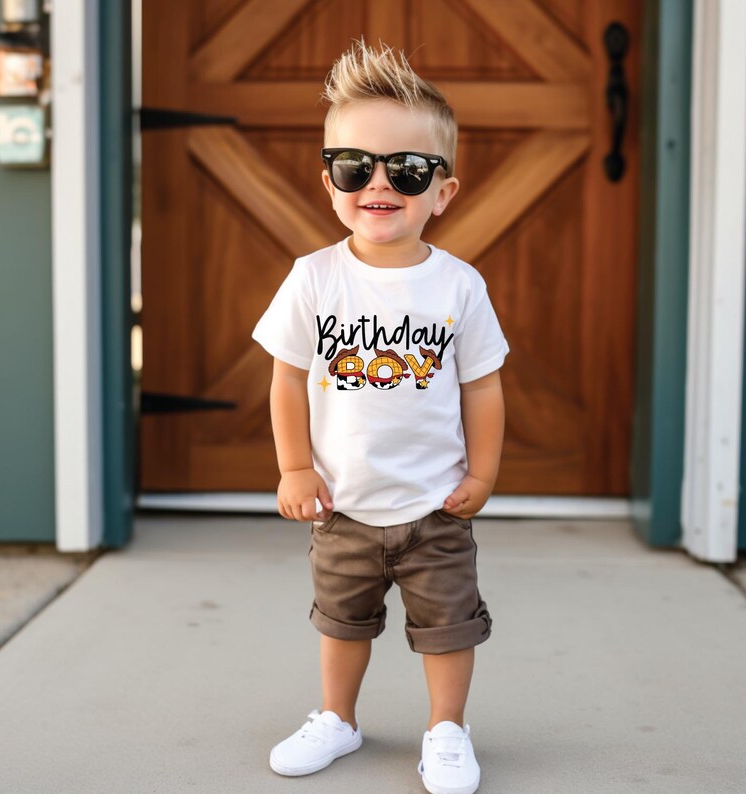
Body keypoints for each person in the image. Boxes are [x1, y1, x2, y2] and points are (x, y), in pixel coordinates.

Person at [251, 40, 509, 794]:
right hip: (343, 504)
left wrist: (483, 473)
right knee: (341, 621)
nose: (379, 184)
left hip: (434, 505)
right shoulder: (314, 278)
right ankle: (338, 718)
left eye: (408, 170)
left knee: (449, 626)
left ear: (443, 191)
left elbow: (483, 388)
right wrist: (294, 466)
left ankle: (447, 729)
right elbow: (287, 378)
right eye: (354, 166)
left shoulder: (459, 287)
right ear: (329, 180)